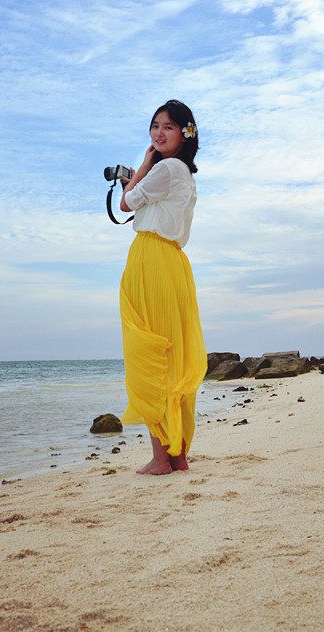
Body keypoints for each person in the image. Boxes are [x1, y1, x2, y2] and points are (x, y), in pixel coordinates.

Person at [119, 99, 207, 475]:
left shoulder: (166, 168)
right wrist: (143, 177)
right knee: (173, 356)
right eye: (155, 126)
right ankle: (177, 454)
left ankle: (160, 459)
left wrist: (142, 167)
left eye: (168, 127)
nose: (159, 132)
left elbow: (126, 204)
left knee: (150, 351)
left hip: (151, 258)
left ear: (185, 134)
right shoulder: (184, 174)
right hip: (173, 263)